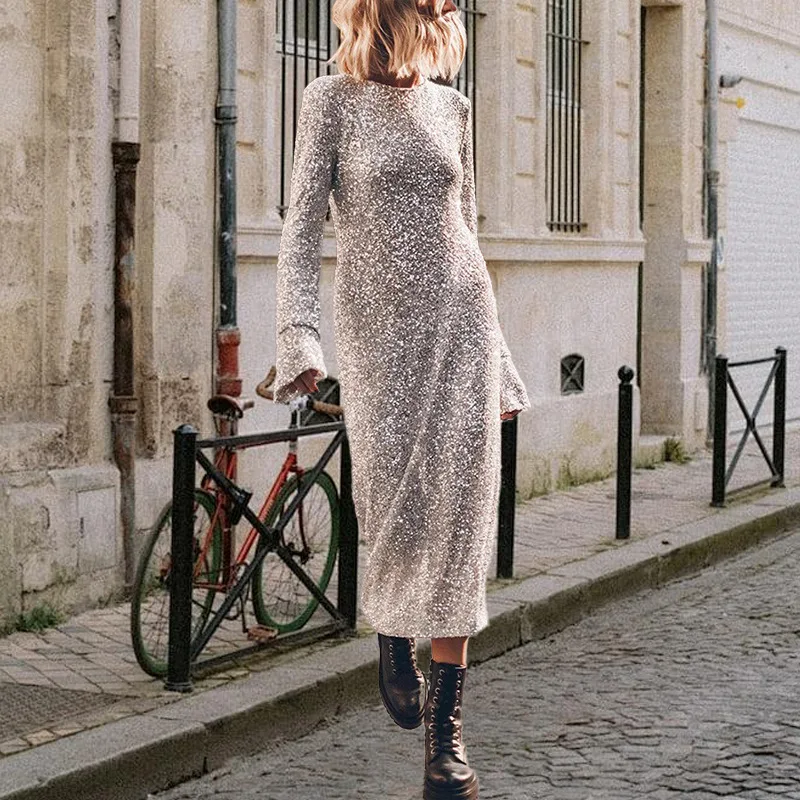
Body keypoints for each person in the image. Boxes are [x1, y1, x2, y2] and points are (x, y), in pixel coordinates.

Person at [273, 0, 531, 796]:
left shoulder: (453, 107)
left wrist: (502, 361)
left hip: (463, 330)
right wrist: (298, 338)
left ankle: (446, 743)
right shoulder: (329, 101)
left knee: (462, 520)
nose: (449, 15)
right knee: (394, 508)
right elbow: (300, 230)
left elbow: (467, 231)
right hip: (378, 341)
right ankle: (391, 632)